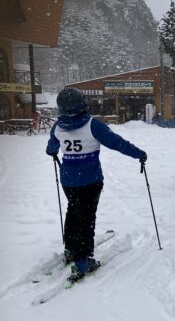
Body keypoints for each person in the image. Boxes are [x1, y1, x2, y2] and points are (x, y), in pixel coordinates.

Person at [46, 87, 147, 282]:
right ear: (82, 103)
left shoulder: (58, 126)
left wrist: (53, 152)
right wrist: (139, 154)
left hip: (68, 180)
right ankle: (83, 260)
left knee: (73, 211)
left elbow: (51, 148)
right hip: (90, 180)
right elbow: (117, 143)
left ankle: (70, 248)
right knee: (86, 217)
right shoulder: (93, 125)